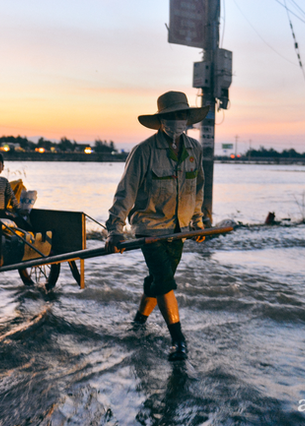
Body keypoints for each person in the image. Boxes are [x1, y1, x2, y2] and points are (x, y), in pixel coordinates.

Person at [105, 91, 209, 361]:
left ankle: (139, 321)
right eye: (173, 116)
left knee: (157, 282)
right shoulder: (144, 151)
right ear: (162, 120)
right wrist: (114, 230)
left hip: (180, 229)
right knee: (165, 281)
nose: (179, 120)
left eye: (183, 115)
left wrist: (197, 222)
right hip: (150, 228)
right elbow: (125, 191)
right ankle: (178, 340)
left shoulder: (195, 149)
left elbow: (197, 188)